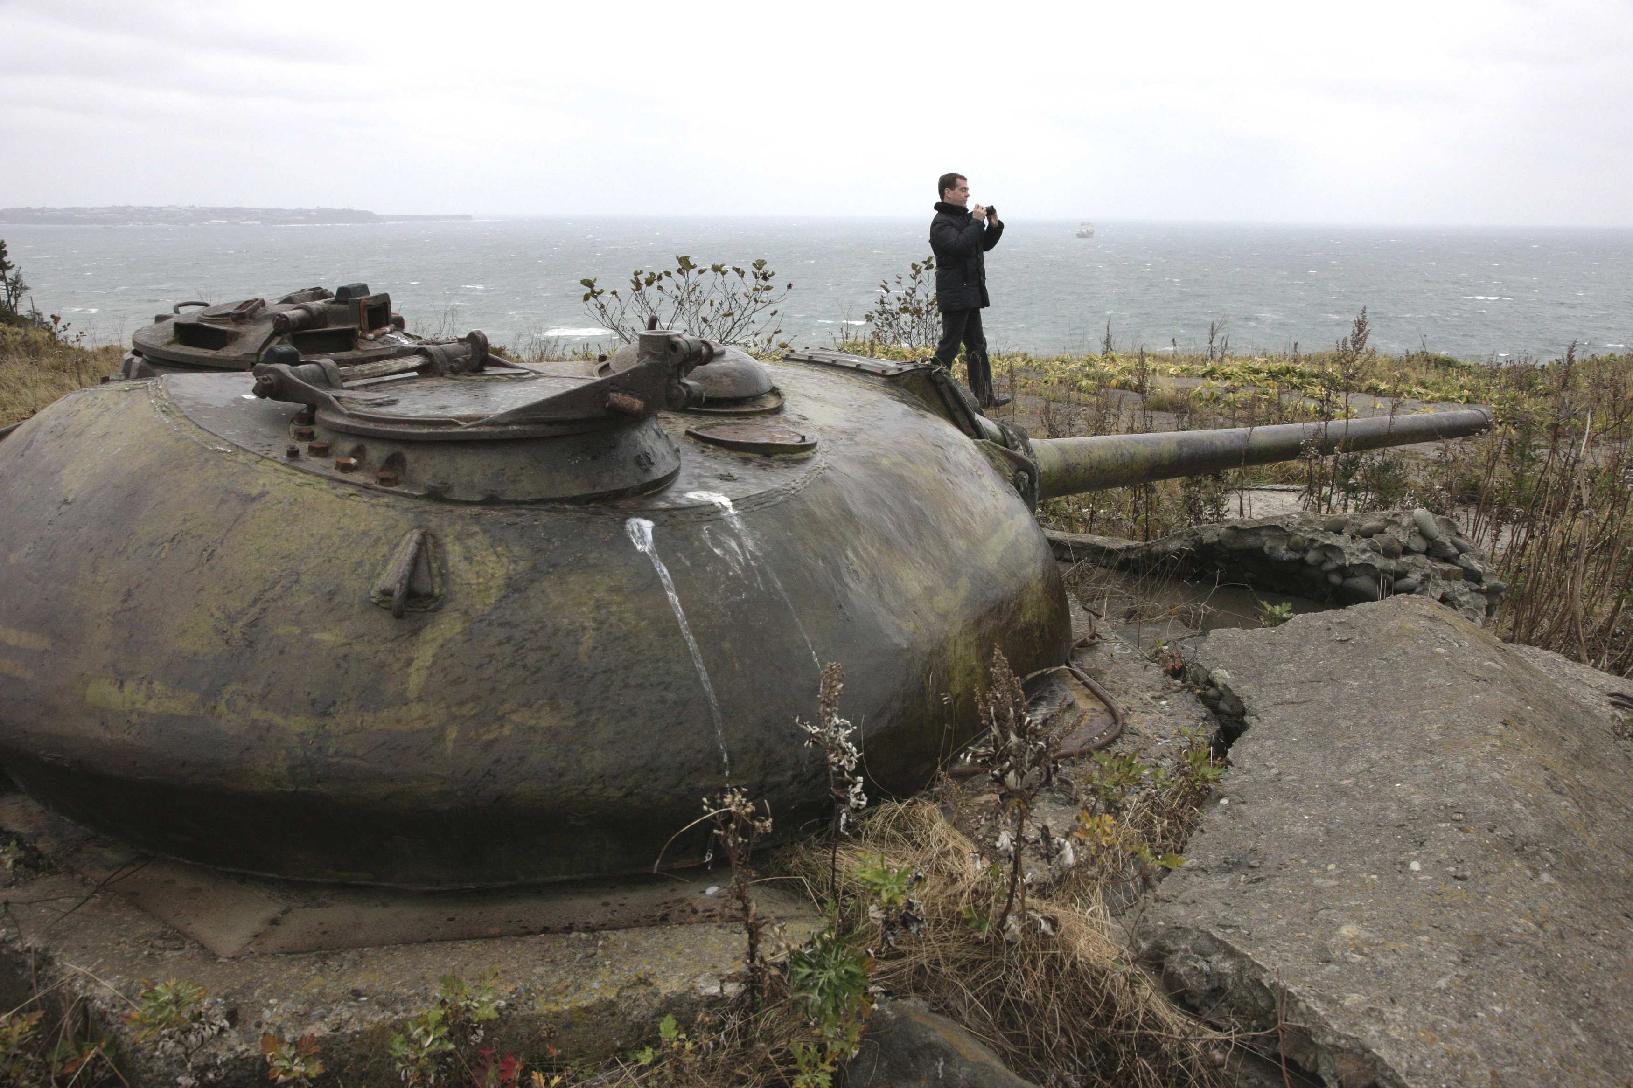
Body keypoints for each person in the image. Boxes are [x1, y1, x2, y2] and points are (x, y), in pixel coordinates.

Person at [929, 172, 1008, 409]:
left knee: (977, 347)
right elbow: (959, 246)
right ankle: (930, 394)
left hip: (970, 292)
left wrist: (992, 227)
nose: (968, 194)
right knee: (949, 348)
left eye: (967, 189)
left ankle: (984, 397)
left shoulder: (963, 219)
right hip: (955, 294)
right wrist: (975, 222)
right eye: (962, 189)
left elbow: (980, 245)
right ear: (948, 192)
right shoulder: (941, 223)